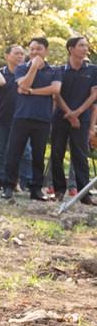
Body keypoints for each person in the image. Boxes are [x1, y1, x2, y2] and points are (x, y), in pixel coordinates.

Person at [3, 37, 61, 201]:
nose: (35, 52)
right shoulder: (22, 68)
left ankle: (36, 189)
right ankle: (8, 186)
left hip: (42, 118)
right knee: (13, 153)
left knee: (38, 155)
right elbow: (23, 84)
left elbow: (55, 89)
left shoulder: (54, 70)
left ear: (46, 51)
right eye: (32, 49)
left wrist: (31, 92)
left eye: (39, 49)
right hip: (22, 116)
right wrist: (34, 67)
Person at [50, 34, 96, 203]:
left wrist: (77, 113)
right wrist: (69, 113)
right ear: (71, 49)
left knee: (80, 156)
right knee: (57, 153)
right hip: (60, 118)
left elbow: (94, 94)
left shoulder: (93, 70)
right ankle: (59, 190)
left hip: (82, 120)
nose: (85, 49)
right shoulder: (59, 70)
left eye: (86, 45)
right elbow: (56, 95)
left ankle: (84, 194)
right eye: (81, 45)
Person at [0, 45, 28, 194]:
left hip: (21, 121)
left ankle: (18, 183)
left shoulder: (26, 74)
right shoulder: (0, 74)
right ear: (7, 56)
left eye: (22, 54)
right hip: (0, 120)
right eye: (16, 53)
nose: (20, 56)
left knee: (23, 153)